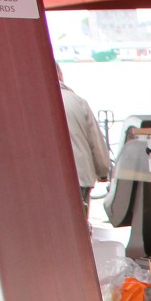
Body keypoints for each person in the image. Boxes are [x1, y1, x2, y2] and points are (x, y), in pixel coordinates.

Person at [56, 62, 109, 214]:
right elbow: (95, 142)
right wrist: (103, 171)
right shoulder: (78, 102)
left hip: (49, 181)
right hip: (80, 176)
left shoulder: (31, 102)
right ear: (59, 74)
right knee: (80, 224)